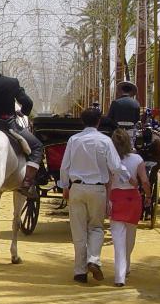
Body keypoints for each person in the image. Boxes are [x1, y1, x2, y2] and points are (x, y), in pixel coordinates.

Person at [60, 107, 123, 284]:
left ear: (82, 121)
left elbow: (64, 166)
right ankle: (93, 259)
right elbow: (116, 166)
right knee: (96, 227)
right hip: (98, 189)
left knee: (78, 230)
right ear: (99, 122)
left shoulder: (73, 140)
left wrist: (65, 186)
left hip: (77, 188)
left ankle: (80, 272)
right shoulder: (105, 141)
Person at [0, 52, 43, 196]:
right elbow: (27, 102)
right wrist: (23, 112)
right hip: (9, 126)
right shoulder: (12, 83)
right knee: (37, 146)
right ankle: (27, 182)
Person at [108, 129, 151, 287]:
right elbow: (145, 182)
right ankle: (125, 266)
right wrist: (148, 196)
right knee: (130, 237)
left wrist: (107, 201)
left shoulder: (110, 160)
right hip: (133, 198)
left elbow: (108, 183)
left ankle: (120, 274)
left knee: (118, 239)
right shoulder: (137, 159)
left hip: (116, 198)